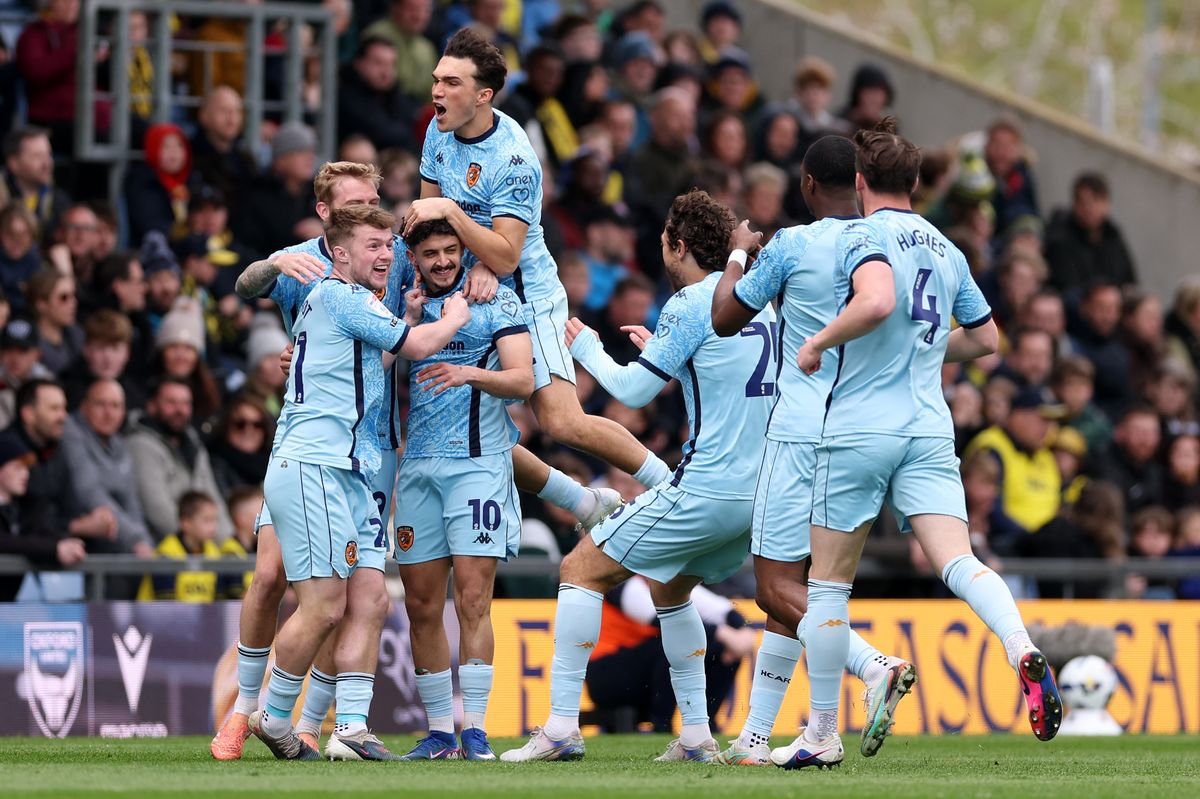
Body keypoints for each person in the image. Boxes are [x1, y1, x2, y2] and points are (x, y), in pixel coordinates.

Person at [791, 119, 1060, 769]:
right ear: (913, 182)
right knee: (959, 561)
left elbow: (873, 304)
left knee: (825, 585)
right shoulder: (947, 248)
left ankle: (821, 733)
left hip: (859, 424)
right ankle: (1019, 643)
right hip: (929, 424)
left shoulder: (858, 235)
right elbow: (988, 339)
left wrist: (819, 341)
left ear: (858, 182)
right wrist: (932, 348)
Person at [708, 136, 914, 765]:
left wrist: (741, 256)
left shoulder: (793, 245)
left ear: (805, 185)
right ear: (857, 182)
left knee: (773, 588)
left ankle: (870, 663)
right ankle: (755, 736)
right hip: (859, 430)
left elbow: (723, 317)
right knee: (806, 591)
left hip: (797, 430)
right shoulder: (878, 246)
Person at [406, 29, 660, 527]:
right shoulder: (437, 131)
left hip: (527, 293)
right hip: (468, 283)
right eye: (437, 79)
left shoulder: (515, 157)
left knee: (562, 421)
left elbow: (504, 255)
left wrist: (458, 221)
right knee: (465, 427)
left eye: (451, 83)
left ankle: (669, 483)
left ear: (483, 95)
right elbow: (428, 221)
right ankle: (585, 502)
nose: (437, 91)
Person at [247, 204, 469, 761]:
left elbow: (383, 352)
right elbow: (415, 349)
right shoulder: (341, 297)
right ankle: (270, 715)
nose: (386, 254)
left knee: (352, 598)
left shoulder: (348, 304)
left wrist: (411, 316)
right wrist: (457, 315)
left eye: (388, 244)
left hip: (342, 468)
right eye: (373, 245)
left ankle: (322, 723)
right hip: (314, 465)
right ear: (339, 255)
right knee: (323, 605)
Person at [393, 219, 533, 761]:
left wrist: (468, 374)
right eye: (432, 253)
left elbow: (522, 379)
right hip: (417, 467)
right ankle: (437, 733)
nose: (445, 261)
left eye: (453, 250)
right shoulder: (402, 307)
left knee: (473, 599)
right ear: (414, 256)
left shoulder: (497, 302)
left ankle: (475, 730)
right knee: (422, 605)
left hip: (478, 466)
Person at [584, 578, 752, 733]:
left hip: (641, 672)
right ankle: (662, 724)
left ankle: (707, 724)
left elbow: (720, 609)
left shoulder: (663, 580)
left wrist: (743, 631)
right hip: (608, 675)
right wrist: (723, 633)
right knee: (674, 639)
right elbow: (664, 619)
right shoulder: (621, 582)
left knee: (722, 648)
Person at [126, 377, 233, 542]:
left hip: (198, 548)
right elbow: (157, 508)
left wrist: (229, 543)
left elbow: (212, 498)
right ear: (152, 405)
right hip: (163, 552)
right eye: (171, 402)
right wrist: (194, 543)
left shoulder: (194, 445)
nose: (180, 410)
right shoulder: (140, 445)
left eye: (185, 403)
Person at [60, 378, 153, 559]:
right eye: (100, 404)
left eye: (116, 406)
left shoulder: (119, 443)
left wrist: (145, 542)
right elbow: (89, 493)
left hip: (120, 544)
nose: (108, 413)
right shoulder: (70, 434)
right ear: (83, 406)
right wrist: (136, 540)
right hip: (80, 547)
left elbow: (131, 502)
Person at [0, 427, 86, 602]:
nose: (25, 474)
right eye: (18, 467)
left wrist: (61, 544)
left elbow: (39, 534)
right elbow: (6, 542)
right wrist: (54, 549)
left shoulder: (25, 507)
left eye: (26, 468)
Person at [963, 387, 1063, 535]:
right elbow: (991, 510)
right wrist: (1031, 540)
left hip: (1045, 547)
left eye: (1051, 421)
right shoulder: (993, 447)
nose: (1048, 428)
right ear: (1019, 416)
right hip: (1010, 545)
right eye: (1043, 419)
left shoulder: (1046, 456)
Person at [231, 122, 320, 258]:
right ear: (280, 160)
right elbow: (249, 250)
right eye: (300, 151)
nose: (309, 157)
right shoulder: (257, 197)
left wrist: (323, 234)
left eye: (311, 151)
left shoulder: (318, 194)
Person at [137, 490, 223, 602]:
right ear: (185, 523)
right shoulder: (166, 554)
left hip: (201, 618)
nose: (213, 527)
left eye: (215, 520)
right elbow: (165, 604)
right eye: (207, 520)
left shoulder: (213, 551)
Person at [337, 37, 418, 153]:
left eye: (392, 64)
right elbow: (381, 132)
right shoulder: (346, 97)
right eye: (378, 63)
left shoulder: (396, 95)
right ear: (359, 64)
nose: (386, 72)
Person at [2, 127, 70, 247]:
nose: (47, 163)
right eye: (37, 156)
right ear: (13, 163)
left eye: (49, 155)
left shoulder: (60, 200)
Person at [361, 0, 437, 104]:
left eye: (424, 10)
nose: (418, 15)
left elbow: (431, 94)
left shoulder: (427, 48)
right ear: (396, 8)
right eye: (412, 8)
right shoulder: (378, 36)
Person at [190, 86, 257, 200]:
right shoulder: (189, 158)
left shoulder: (246, 161)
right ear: (204, 116)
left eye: (237, 111)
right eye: (223, 110)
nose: (231, 119)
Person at [208, 394, 274, 501]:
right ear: (227, 427)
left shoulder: (274, 466)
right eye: (240, 424)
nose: (249, 431)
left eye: (257, 424)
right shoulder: (214, 465)